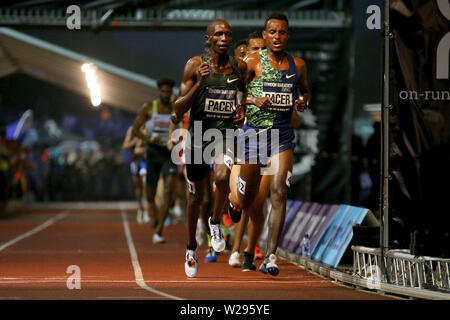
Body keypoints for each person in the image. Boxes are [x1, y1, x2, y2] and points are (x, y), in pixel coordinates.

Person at [230, 12, 310, 276]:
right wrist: (252, 101)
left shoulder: (297, 65)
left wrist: (303, 101)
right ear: (265, 36)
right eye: (272, 32)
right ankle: (234, 200)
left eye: (282, 32)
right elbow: (234, 93)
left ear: (288, 35)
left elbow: (305, 90)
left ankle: (271, 255)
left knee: (279, 193)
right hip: (252, 136)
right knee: (247, 200)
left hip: (281, 137)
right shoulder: (251, 61)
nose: (277, 37)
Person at [171, 18, 247, 278]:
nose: (225, 38)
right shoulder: (195, 66)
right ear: (208, 39)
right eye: (219, 34)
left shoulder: (240, 66)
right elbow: (177, 108)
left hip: (224, 134)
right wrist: (200, 84)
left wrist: (241, 109)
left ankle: (215, 222)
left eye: (228, 34)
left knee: (224, 175)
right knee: (195, 197)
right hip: (198, 136)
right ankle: (191, 248)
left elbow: (243, 93)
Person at [132, 78, 178, 244]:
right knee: (150, 195)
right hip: (152, 153)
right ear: (158, 92)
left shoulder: (176, 109)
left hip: (169, 153)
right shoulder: (149, 108)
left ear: (172, 93)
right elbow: (135, 129)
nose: (166, 94)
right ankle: (156, 213)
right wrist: (147, 139)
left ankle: (159, 231)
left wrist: (177, 139)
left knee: (169, 188)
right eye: (163, 91)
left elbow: (182, 128)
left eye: (169, 92)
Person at [122, 124, 147, 224]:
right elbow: (125, 146)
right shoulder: (132, 129)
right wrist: (135, 141)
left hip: (146, 160)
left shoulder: (150, 128)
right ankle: (140, 208)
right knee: (139, 186)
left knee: (146, 184)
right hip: (135, 160)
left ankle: (146, 210)